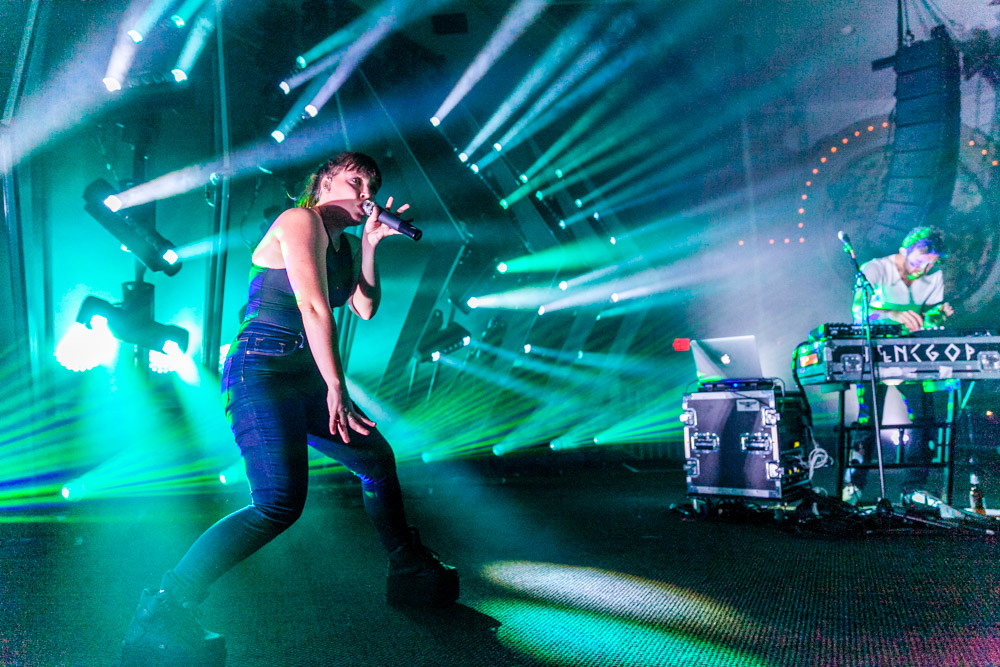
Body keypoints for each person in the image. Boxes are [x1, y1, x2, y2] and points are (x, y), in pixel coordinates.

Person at [122, 152, 458, 665]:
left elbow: (363, 307)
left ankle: (407, 565)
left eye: (372, 184)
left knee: (375, 460)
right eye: (354, 181)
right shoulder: (299, 221)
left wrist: (369, 247)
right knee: (278, 503)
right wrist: (338, 387)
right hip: (260, 373)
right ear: (324, 183)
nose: (366, 192)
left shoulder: (343, 244)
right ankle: (165, 608)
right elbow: (313, 306)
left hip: (302, 378)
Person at [842, 226, 952, 504]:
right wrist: (895, 313)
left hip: (912, 355)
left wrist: (935, 317)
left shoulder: (934, 277)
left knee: (924, 420)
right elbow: (859, 311)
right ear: (904, 251)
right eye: (917, 262)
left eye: (929, 265)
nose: (922, 270)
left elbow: (928, 320)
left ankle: (914, 488)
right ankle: (854, 484)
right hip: (875, 353)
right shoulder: (876, 269)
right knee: (869, 420)